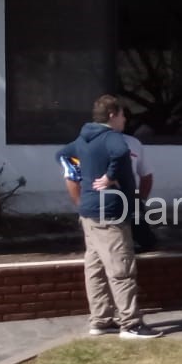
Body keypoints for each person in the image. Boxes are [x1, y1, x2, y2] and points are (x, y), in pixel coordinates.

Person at [58, 95, 158, 339]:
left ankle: (101, 320)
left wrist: (82, 177)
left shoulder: (84, 137)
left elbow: (63, 154)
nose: (125, 120)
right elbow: (121, 152)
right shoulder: (112, 137)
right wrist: (110, 176)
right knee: (121, 268)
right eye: (123, 115)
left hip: (89, 212)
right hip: (111, 212)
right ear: (112, 115)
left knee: (95, 268)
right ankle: (131, 324)